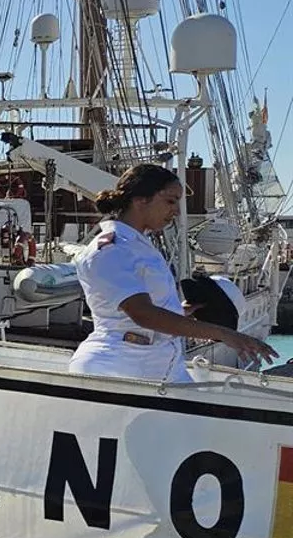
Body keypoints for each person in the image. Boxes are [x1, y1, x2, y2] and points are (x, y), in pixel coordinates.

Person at [69, 162, 274, 381]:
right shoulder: (112, 250)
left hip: (156, 366)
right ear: (140, 199)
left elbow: (136, 310)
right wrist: (224, 334)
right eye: (170, 201)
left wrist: (178, 310)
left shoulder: (138, 245)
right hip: (116, 367)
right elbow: (143, 314)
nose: (176, 211)